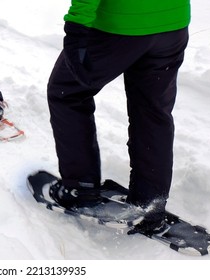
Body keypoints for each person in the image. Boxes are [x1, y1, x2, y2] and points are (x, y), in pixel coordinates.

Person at [46, 0, 191, 234]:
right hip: (172, 26)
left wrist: (77, 27)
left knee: (68, 92)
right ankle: (150, 203)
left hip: (120, 24)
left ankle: (80, 189)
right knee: (153, 112)